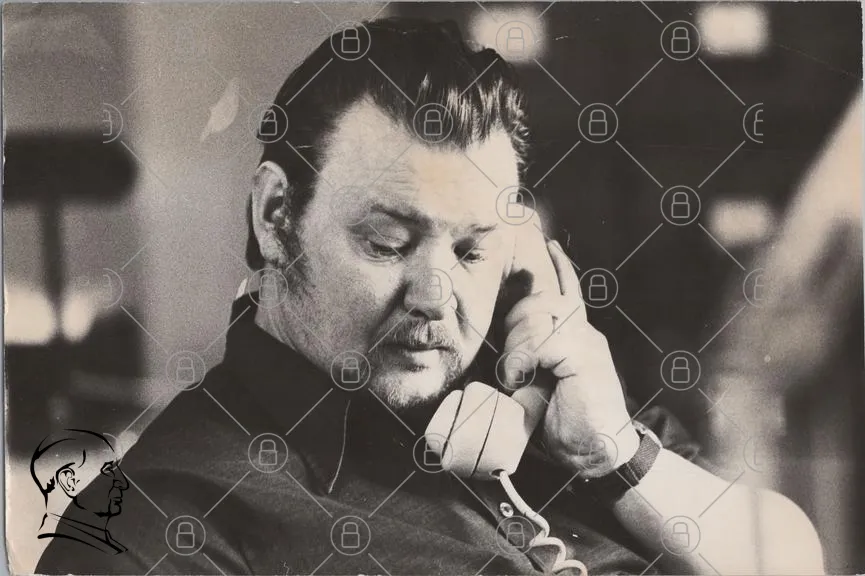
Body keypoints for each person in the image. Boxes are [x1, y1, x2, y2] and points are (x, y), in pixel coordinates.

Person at [36, 18, 823, 575]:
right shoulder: (154, 528)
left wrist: (615, 455)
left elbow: (792, 558)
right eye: (388, 243)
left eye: (473, 249)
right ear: (276, 217)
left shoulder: (547, 398)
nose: (437, 297)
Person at [31, 429, 129, 555]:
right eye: (108, 469)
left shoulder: (93, 544)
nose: (123, 483)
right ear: (69, 481)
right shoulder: (70, 555)